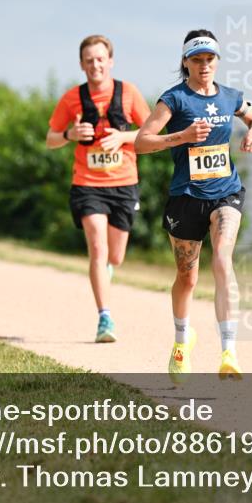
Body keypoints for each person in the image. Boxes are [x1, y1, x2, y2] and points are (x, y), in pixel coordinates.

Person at [135, 29, 252, 382]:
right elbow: (141, 143)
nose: (204, 66)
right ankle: (181, 341)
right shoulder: (174, 100)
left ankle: (229, 352)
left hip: (226, 192)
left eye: (210, 59)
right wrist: (183, 136)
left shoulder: (230, 97)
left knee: (223, 258)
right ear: (185, 63)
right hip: (186, 197)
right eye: (197, 60)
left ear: (217, 62)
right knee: (187, 278)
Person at [46, 35, 151, 343]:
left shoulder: (128, 93)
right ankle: (104, 318)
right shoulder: (71, 99)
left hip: (124, 184)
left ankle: (106, 272)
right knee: (97, 248)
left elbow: (150, 134)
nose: (95, 65)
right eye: (89, 60)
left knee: (114, 257)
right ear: (81, 65)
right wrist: (70, 133)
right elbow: (51, 139)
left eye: (100, 59)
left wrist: (122, 138)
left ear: (110, 61)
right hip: (87, 184)